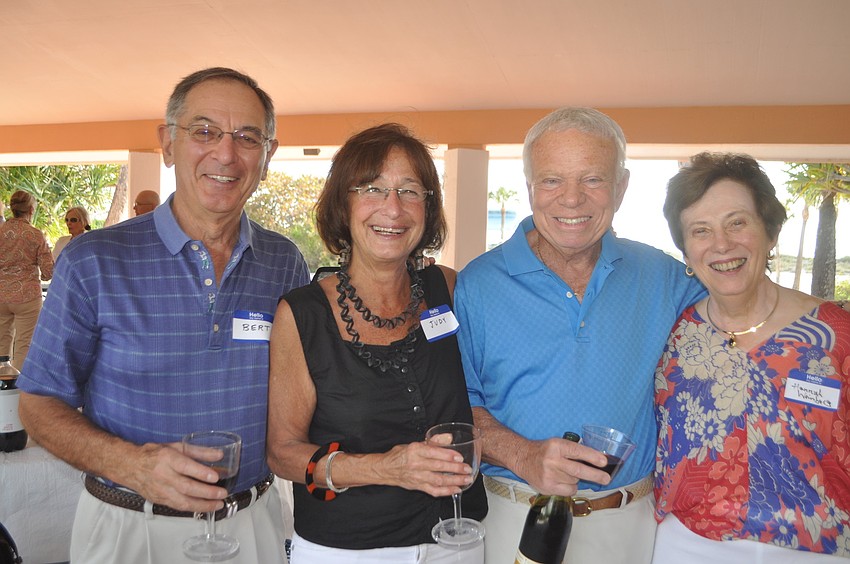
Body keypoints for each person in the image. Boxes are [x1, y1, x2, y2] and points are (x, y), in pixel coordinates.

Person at [16, 67, 310, 564]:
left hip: (253, 524)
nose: (226, 152)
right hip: (131, 528)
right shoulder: (93, 260)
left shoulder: (284, 262)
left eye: (247, 137)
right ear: (168, 143)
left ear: (267, 155)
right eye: (204, 131)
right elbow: (38, 402)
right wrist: (130, 465)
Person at [453, 107, 706, 564]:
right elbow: (455, 405)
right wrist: (524, 454)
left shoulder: (666, 277)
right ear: (530, 186)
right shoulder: (478, 283)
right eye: (551, 180)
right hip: (512, 519)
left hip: (630, 528)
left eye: (592, 179)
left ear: (621, 187)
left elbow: (743, 327)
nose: (571, 200)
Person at [267, 123, 487, 563]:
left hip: (458, 539)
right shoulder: (302, 314)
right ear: (342, 204)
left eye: (410, 191)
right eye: (371, 188)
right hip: (349, 549)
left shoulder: (445, 287)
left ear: (428, 207)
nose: (393, 208)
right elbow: (283, 453)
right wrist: (386, 468)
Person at [653, 152, 850, 563]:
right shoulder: (674, 335)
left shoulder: (836, 334)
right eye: (701, 231)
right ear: (686, 252)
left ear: (770, 231)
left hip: (818, 547)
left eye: (737, 223)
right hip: (688, 545)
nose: (722, 245)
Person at [0, 191, 53, 369]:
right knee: (24, 345)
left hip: (1, 295)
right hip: (27, 297)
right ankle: (19, 390)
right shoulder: (35, 234)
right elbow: (48, 272)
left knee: (1, 343)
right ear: (31, 209)